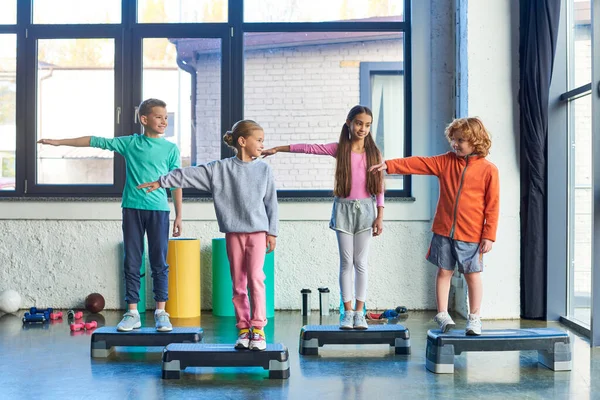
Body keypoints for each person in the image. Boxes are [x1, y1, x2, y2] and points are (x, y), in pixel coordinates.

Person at [38, 98, 182, 333]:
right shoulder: (130, 143)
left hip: (159, 211)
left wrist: (178, 216)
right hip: (132, 209)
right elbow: (94, 141)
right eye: (158, 117)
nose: (164, 121)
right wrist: (59, 142)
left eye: (166, 117)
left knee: (159, 262)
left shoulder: (171, 149)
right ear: (144, 119)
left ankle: (160, 312)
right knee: (132, 261)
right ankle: (132, 312)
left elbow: (176, 183)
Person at [138, 119, 278, 351]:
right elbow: (189, 175)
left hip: (258, 233)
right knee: (238, 284)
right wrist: (162, 182)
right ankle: (244, 329)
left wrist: (273, 232)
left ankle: (258, 329)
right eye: (259, 140)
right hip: (233, 233)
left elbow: (271, 202)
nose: (263, 145)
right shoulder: (220, 169)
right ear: (243, 141)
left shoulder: (264, 169)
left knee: (256, 278)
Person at [370, 117, 499, 335]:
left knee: (472, 275)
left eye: (461, 140)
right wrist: (390, 165)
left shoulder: (488, 170)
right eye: (454, 139)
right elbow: (420, 163)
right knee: (443, 272)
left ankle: (475, 318)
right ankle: (442, 314)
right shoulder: (446, 162)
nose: (455, 144)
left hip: (471, 234)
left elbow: (493, 205)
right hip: (444, 231)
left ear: (476, 141)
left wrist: (489, 235)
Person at [262, 105, 384, 330]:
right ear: (349, 123)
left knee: (361, 263)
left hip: (367, 211)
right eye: (358, 123)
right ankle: (347, 312)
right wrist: (278, 148)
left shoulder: (374, 153)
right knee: (346, 262)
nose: (363, 128)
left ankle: (360, 312)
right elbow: (309, 148)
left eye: (367, 125)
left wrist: (380, 215)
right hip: (343, 210)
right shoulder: (339, 149)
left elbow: (380, 187)